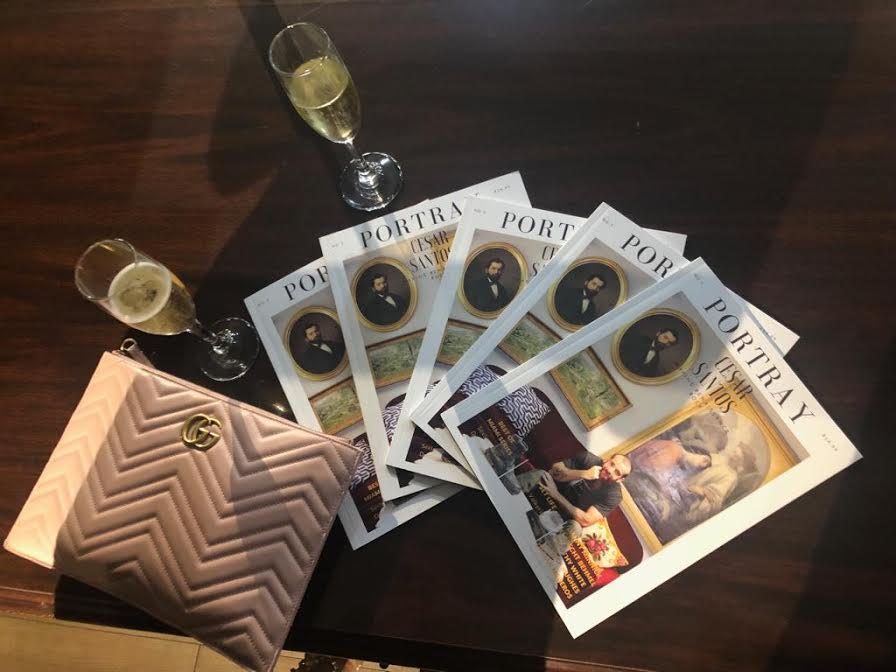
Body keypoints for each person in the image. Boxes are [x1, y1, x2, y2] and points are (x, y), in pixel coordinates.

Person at [537, 452, 632, 527]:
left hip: (565, 515)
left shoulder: (614, 496)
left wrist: (556, 495)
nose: (610, 470)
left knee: (575, 528)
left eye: (617, 472)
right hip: (548, 494)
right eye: (612, 464)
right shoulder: (588, 459)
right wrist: (583, 474)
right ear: (607, 460)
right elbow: (554, 471)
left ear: (620, 479)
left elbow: (586, 521)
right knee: (540, 474)